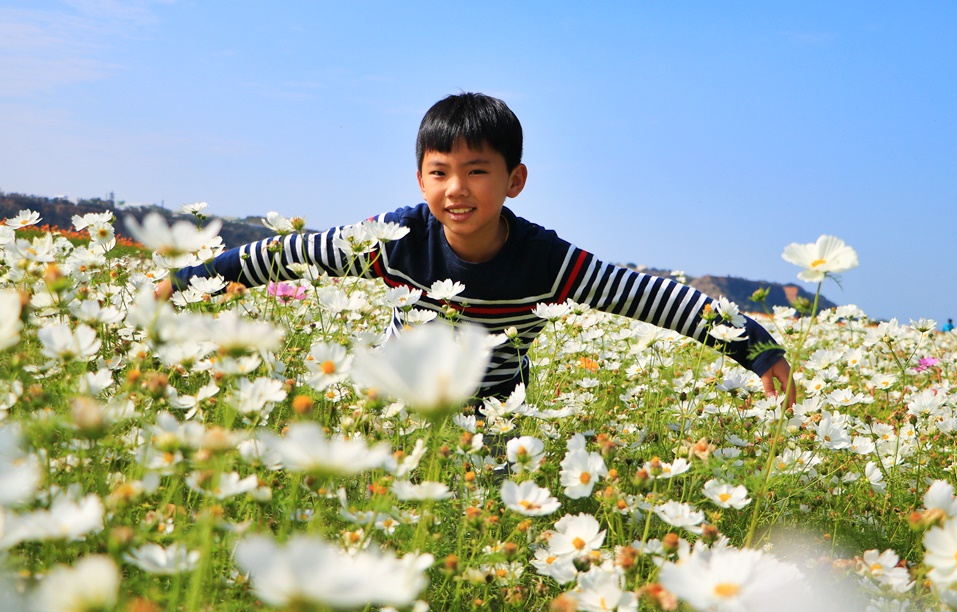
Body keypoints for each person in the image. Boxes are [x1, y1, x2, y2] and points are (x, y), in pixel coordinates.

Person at [160, 93, 794, 408]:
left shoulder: (547, 262)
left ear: (515, 181)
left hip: (494, 419)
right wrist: (196, 278)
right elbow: (296, 252)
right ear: (420, 181)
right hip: (400, 402)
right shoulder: (396, 238)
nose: (455, 189)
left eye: (477, 171)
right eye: (439, 172)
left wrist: (755, 347)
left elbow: (654, 299)